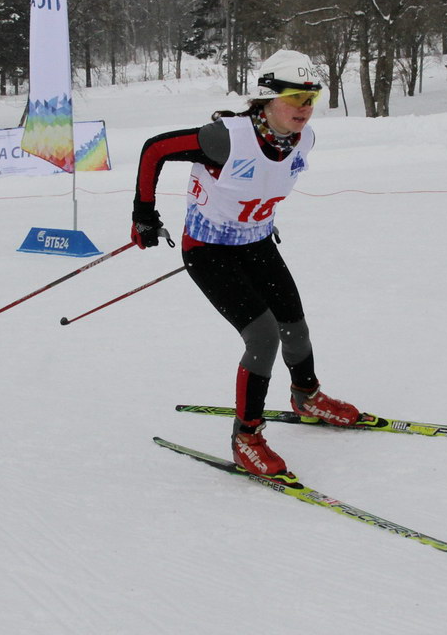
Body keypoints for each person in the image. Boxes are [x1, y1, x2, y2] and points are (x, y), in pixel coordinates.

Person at [132, 50, 365, 482]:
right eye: (295, 97)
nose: (305, 108)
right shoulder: (226, 138)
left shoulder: (304, 139)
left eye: (312, 97)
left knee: (295, 325)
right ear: (265, 99)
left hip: (256, 242)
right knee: (263, 335)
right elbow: (155, 149)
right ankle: (247, 438)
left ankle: (306, 396)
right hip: (208, 250)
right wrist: (143, 214)